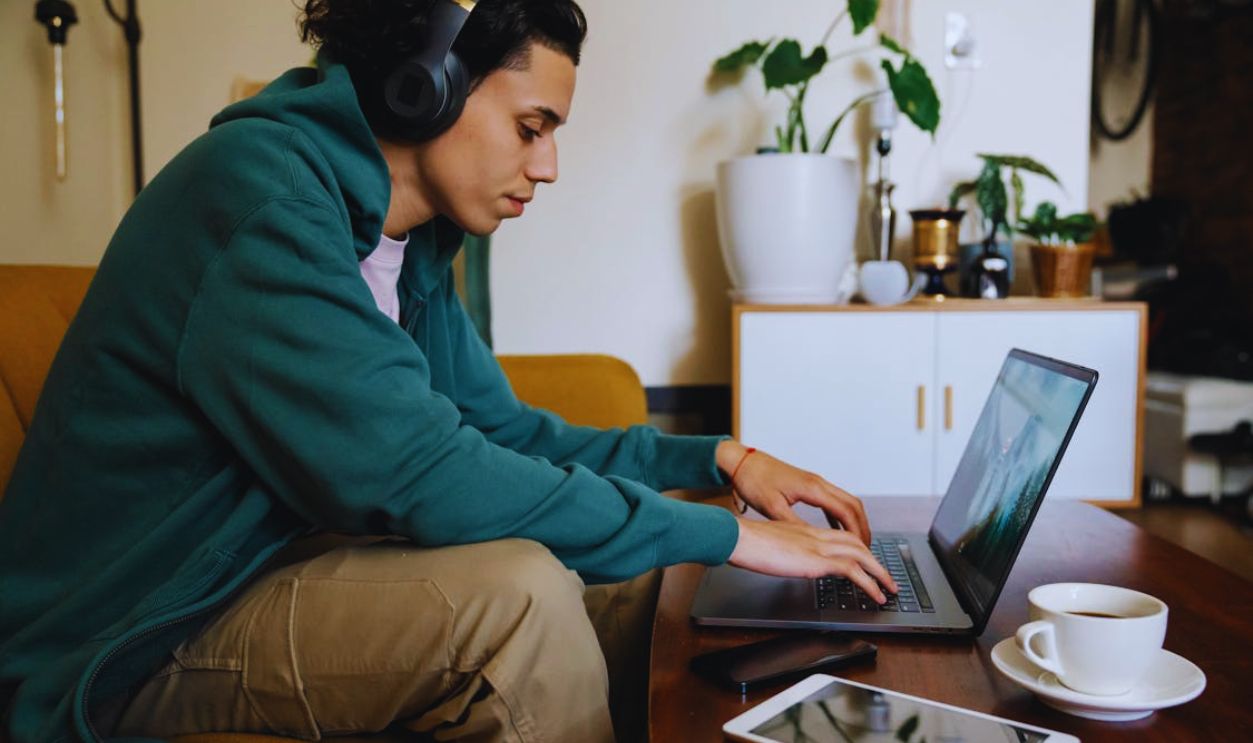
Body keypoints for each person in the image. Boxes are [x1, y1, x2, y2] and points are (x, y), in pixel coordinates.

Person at [0, 1, 896, 741]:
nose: (546, 166)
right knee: (519, 598)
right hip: (133, 634)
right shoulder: (256, 200)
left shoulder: (409, 239)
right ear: (424, 87)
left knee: (641, 576)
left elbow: (498, 432)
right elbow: (424, 473)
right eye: (529, 126)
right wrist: (733, 536)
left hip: (261, 568)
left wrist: (718, 464)